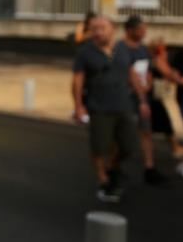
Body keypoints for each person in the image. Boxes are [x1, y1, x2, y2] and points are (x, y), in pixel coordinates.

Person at [71, 16, 140, 202]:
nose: (98, 32)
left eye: (102, 28)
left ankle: (112, 166)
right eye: (94, 28)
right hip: (99, 108)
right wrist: (78, 106)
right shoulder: (85, 52)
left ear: (113, 29)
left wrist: (142, 99)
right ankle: (103, 180)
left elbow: (131, 73)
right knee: (99, 147)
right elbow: (78, 80)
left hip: (124, 105)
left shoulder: (122, 49)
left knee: (129, 146)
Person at [119, 15, 167, 185]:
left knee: (146, 131)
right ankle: (113, 165)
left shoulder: (142, 49)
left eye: (144, 30)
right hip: (125, 97)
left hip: (142, 97)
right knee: (124, 135)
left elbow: (148, 69)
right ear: (129, 30)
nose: (143, 33)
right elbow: (125, 73)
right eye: (140, 30)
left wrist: (148, 83)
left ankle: (149, 167)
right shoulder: (120, 48)